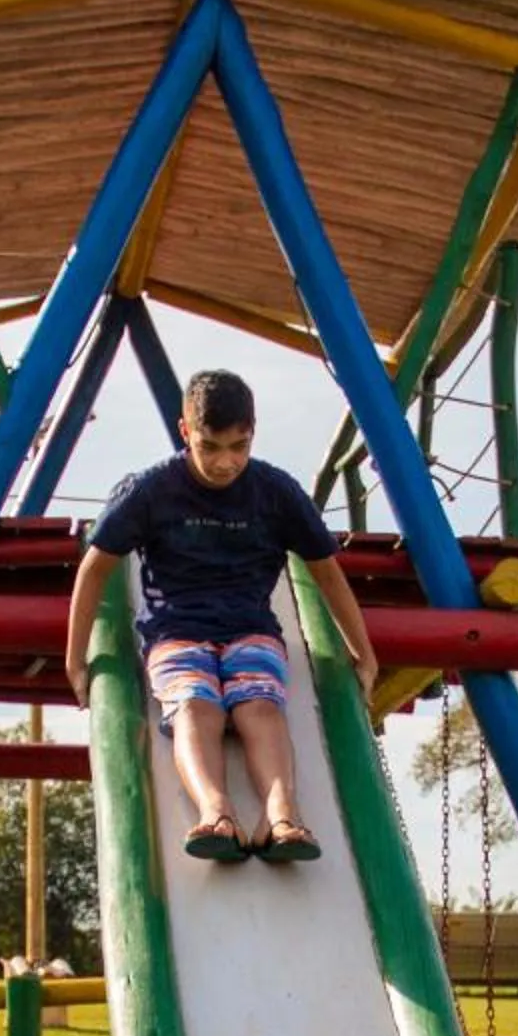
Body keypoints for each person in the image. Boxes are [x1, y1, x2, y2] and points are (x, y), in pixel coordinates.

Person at [60, 369, 378, 862]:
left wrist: (364, 653)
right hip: (176, 631)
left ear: (253, 431)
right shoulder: (151, 490)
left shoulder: (275, 492)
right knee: (194, 705)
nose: (226, 462)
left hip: (251, 628)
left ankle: (282, 816)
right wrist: (75, 659)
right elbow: (95, 569)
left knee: (260, 705)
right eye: (210, 447)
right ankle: (217, 811)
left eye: (239, 446)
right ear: (185, 432)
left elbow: (328, 575)